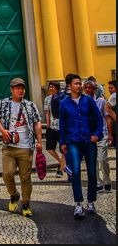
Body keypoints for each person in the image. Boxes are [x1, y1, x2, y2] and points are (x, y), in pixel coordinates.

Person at [0, 77, 42, 218]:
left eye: (22, 88)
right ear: (12, 90)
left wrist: (39, 141)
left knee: (25, 177)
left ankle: (25, 204)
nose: (21, 90)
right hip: (8, 146)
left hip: (26, 146)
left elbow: (37, 123)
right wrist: (3, 131)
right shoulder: (3, 103)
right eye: (18, 88)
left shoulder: (30, 105)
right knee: (7, 174)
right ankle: (14, 195)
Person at [59, 73, 104, 218]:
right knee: (76, 172)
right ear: (69, 86)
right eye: (76, 84)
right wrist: (63, 142)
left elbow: (98, 118)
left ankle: (91, 201)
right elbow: (63, 124)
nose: (79, 86)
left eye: (80, 83)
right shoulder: (64, 103)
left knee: (91, 172)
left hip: (89, 140)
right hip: (73, 141)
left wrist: (97, 134)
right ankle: (78, 203)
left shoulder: (89, 100)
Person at [83, 79, 112, 194]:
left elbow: (107, 118)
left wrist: (110, 134)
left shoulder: (101, 102)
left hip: (102, 133)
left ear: (95, 89)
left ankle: (107, 181)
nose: (87, 90)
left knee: (102, 159)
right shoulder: (82, 102)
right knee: (92, 161)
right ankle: (98, 183)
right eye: (86, 87)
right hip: (88, 136)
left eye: (90, 87)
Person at [44, 81, 66, 177]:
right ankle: (62, 163)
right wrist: (48, 125)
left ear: (57, 88)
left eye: (53, 87)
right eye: (50, 87)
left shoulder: (63, 98)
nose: (51, 89)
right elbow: (47, 112)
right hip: (52, 126)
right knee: (49, 148)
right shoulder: (47, 99)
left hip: (61, 126)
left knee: (63, 149)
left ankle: (61, 169)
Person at [106, 80, 116, 146]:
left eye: (111, 88)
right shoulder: (113, 96)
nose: (110, 90)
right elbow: (107, 107)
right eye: (109, 88)